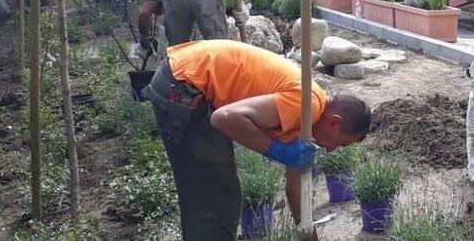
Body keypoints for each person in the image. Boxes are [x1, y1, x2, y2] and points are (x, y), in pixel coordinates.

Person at [143, 39, 371, 240]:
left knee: (220, 194)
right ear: (334, 122)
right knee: (215, 198)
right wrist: (276, 150)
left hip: (187, 74)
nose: (331, 150)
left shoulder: (305, 117)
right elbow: (224, 118)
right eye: (341, 143)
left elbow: (296, 192)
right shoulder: (306, 106)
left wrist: (310, 237)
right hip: (184, 86)